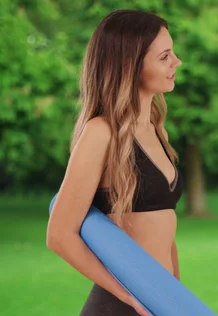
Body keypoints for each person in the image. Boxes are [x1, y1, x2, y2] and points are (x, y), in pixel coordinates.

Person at [46, 9, 183, 316]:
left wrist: (174, 296)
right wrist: (127, 295)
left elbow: (164, 232)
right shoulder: (101, 132)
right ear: (130, 66)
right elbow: (59, 234)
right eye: (164, 57)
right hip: (121, 306)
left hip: (161, 301)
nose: (176, 62)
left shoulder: (155, 127)